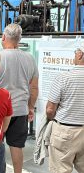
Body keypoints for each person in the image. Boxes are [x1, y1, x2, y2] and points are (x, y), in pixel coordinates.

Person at [0, 24, 39, 173]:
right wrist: (31, 107)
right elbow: (34, 88)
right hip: (20, 109)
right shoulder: (30, 58)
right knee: (17, 146)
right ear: (19, 40)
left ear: (4, 37)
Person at [46, 43, 84, 173]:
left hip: (65, 130)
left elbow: (50, 109)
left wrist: (51, 119)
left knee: (60, 169)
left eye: (75, 53)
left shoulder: (63, 78)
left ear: (80, 55)